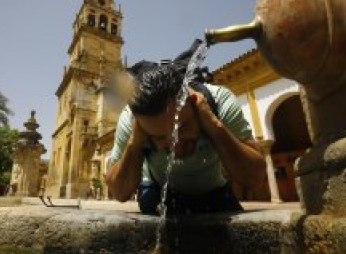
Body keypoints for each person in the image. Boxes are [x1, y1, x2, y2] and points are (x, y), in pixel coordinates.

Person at [105, 39, 266, 215]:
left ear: (194, 103)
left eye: (180, 128)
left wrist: (214, 125)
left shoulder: (219, 101)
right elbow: (120, 193)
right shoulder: (130, 119)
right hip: (156, 193)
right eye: (159, 138)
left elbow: (254, 178)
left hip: (214, 192)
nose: (175, 144)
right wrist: (134, 143)